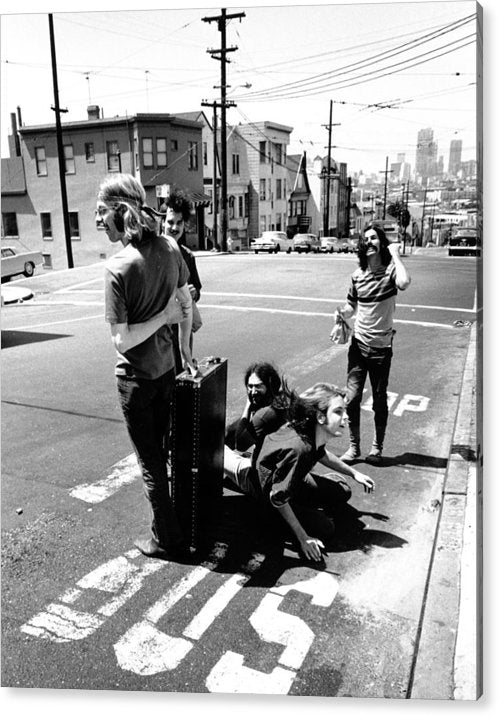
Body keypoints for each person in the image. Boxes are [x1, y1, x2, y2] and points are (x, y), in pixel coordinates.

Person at [96, 172, 197, 561]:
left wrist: (161, 318)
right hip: (167, 372)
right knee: (165, 455)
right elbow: (185, 302)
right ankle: (172, 524)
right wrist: (184, 347)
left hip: (136, 381)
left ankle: (166, 539)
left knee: (151, 463)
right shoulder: (171, 248)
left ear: (120, 212)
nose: (99, 220)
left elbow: (120, 341)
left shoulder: (118, 268)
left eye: (102, 212)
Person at [224, 383, 375, 562]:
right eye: (338, 412)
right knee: (326, 528)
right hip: (264, 486)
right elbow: (277, 498)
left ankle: (301, 496)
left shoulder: (312, 433)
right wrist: (303, 538)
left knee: (343, 491)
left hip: (290, 478)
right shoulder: (299, 450)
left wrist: (353, 473)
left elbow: (322, 454)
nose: (345, 417)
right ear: (320, 416)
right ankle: (259, 508)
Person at [334, 222, 411, 465]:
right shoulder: (357, 276)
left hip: (381, 348)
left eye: (374, 238)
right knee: (352, 398)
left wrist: (396, 254)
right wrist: (340, 313)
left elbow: (405, 283)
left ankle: (377, 447)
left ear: (382, 243)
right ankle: (354, 447)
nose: (369, 242)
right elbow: (350, 306)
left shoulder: (390, 273)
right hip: (358, 345)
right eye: (365, 239)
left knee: (379, 399)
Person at [159, 192, 203, 375]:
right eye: (170, 222)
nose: (174, 227)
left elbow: (197, 289)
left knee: (183, 373)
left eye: (179, 222)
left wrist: (193, 293)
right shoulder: (154, 251)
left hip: (183, 327)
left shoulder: (187, 255)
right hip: (160, 329)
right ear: (162, 222)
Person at [225, 362, 290, 463]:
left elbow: (240, 445)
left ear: (270, 386)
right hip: (284, 462)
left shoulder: (263, 415)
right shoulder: (284, 400)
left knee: (221, 452)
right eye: (250, 386)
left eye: (258, 386)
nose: (253, 391)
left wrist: (247, 406)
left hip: (262, 473)